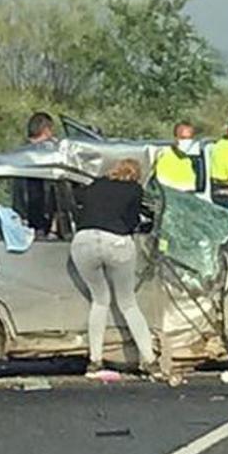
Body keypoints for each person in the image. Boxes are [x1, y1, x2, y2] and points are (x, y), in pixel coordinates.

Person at [71, 159, 159, 377]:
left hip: (83, 242)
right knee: (128, 303)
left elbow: (76, 200)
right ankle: (149, 360)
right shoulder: (134, 190)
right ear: (136, 175)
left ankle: (95, 360)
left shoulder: (96, 185)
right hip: (116, 242)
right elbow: (131, 222)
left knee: (99, 301)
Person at [14, 112, 57, 234]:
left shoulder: (19, 154)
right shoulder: (47, 155)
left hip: (22, 219)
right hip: (37, 219)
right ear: (46, 130)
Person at [154, 122, 199, 192]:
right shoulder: (162, 155)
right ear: (175, 138)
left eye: (189, 138)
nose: (186, 142)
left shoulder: (189, 160)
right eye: (183, 138)